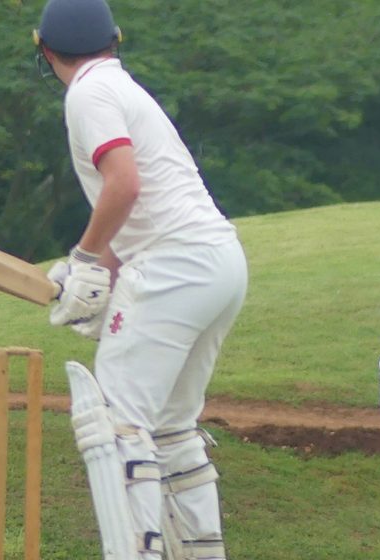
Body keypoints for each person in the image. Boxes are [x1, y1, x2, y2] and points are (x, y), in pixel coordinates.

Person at [33, 0, 247, 558]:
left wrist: (83, 258)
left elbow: (123, 185)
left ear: (44, 50)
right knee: (173, 429)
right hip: (217, 261)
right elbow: (144, 199)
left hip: (174, 265)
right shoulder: (123, 86)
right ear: (115, 39)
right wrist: (103, 272)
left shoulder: (87, 92)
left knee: (114, 426)